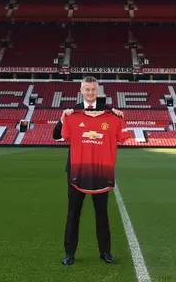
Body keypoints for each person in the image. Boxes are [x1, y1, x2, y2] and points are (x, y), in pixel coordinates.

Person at [52, 76, 124, 266]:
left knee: (102, 212)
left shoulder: (110, 111)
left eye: (93, 89)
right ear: (81, 91)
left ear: (98, 90)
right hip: (76, 170)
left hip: (100, 170)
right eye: (87, 89)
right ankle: (69, 253)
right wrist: (62, 118)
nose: (90, 93)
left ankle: (105, 252)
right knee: (73, 211)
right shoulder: (72, 111)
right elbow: (56, 136)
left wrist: (118, 115)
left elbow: (120, 133)